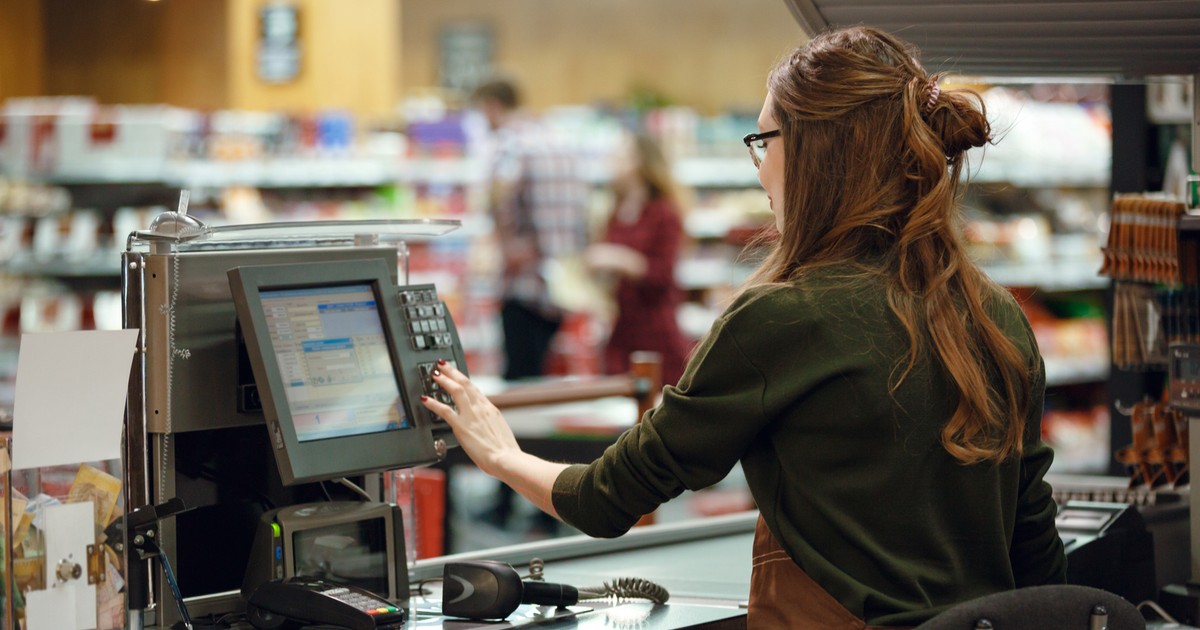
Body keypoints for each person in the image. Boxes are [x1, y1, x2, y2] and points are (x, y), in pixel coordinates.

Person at [426, 26, 1066, 627]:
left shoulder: (783, 316)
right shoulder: (996, 314)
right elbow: (1034, 543)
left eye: (765, 140)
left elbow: (607, 498)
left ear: (819, 152)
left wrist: (502, 455)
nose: (757, 167)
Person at [471, 76, 590, 381]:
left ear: (492, 106)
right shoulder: (559, 140)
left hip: (523, 282)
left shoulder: (510, 144)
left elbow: (498, 195)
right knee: (546, 376)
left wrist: (505, 239)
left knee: (521, 381)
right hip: (562, 282)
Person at [584, 130, 692, 386]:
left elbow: (662, 273)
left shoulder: (663, 213)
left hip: (655, 330)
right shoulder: (614, 211)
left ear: (639, 160)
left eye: (619, 154)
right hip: (621, 328)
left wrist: (616, 258)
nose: (611, 160)